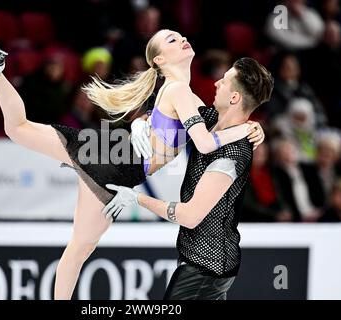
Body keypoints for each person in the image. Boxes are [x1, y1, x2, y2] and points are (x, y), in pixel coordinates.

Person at [0, 30, 264, 300]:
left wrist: (143, 121)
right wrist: (246, 129)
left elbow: (185, 124)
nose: (182, 39)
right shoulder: (180, 90)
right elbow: (208, 142)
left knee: (19, 132)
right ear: (159, 60)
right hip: (117, 161)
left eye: (179, 36)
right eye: (171, 39)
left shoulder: (181, 93)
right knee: (78, 246)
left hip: (111, 153)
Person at [104, 57, 274, 300]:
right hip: (204, 262)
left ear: (235, 97)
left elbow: (190, 216)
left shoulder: (233, 153)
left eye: (224, 82)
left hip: (207, 268)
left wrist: (136, 199)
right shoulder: (210, 120)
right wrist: (140, 124)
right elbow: (168, 111)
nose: (216, 83)